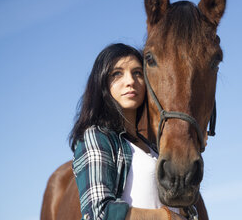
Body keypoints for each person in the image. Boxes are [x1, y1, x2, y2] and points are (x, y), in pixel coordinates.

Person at [69, 43, 186, 220]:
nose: (130, 81)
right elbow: (99, 213)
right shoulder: (97, 137)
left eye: (137, 73)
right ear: (101, 82)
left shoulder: (154, 148)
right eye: (117, 74)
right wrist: (166, 217)